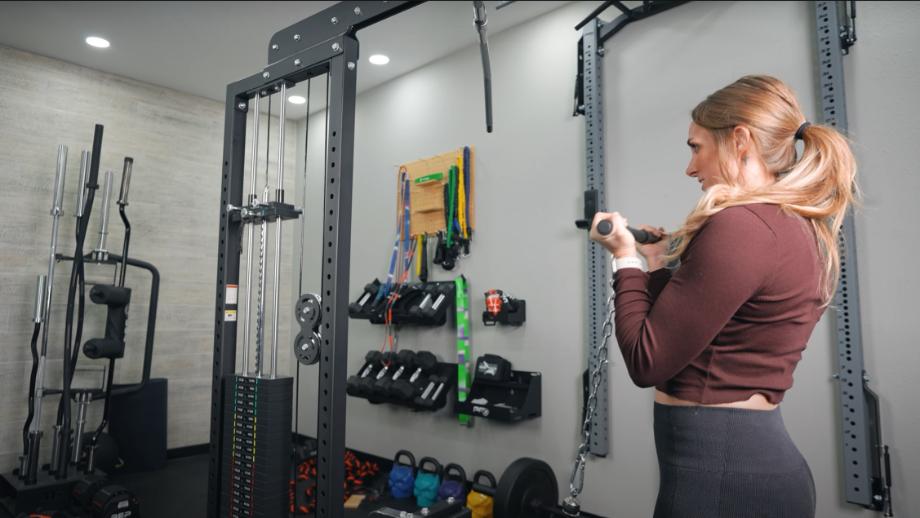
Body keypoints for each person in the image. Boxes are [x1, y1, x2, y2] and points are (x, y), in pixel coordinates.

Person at [589, 75, 857, 518]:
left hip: (721, 478)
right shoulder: (790, 225)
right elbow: (677, 332)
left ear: (740, 140)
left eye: (695, 147)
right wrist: (655, 260)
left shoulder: (741, 227)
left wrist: (624, 257)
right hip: (737, 469)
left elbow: (646, 359)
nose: (690, 168)